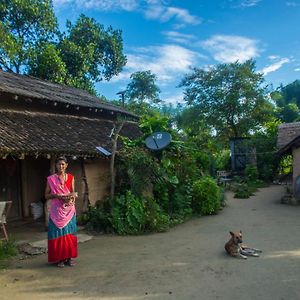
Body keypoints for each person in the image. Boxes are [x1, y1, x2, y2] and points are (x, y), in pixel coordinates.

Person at [45, 156, 78, 268]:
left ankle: (69, 258)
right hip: (56, 212)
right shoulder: (51, 179)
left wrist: (71, 198)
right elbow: (46, 195)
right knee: (58, 234)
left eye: (63, 164)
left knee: (69, 234)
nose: (61, 166)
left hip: (69, 210)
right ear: (56, 165)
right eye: (59, 164)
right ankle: (60, 259)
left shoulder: (71, 177)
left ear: (66, 165)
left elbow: (73, 193)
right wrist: (55, 195)